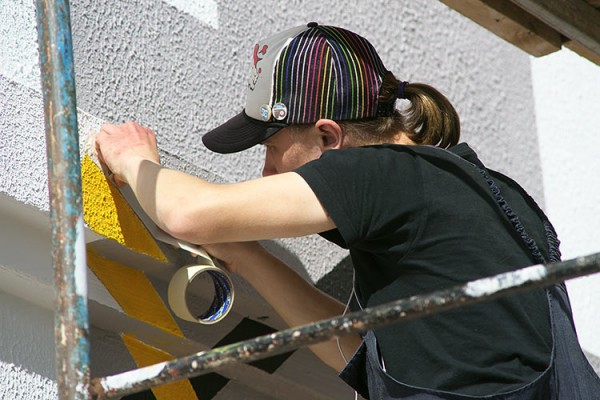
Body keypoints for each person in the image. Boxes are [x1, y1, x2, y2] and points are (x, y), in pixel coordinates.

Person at [95, 23, 600, 399]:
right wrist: (247, 258)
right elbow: (359, 351)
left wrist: (136, 159)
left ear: (327, 136)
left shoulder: (384, 172)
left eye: (271, 146)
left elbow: (187, 214)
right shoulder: (483, 195)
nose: (267, 172)